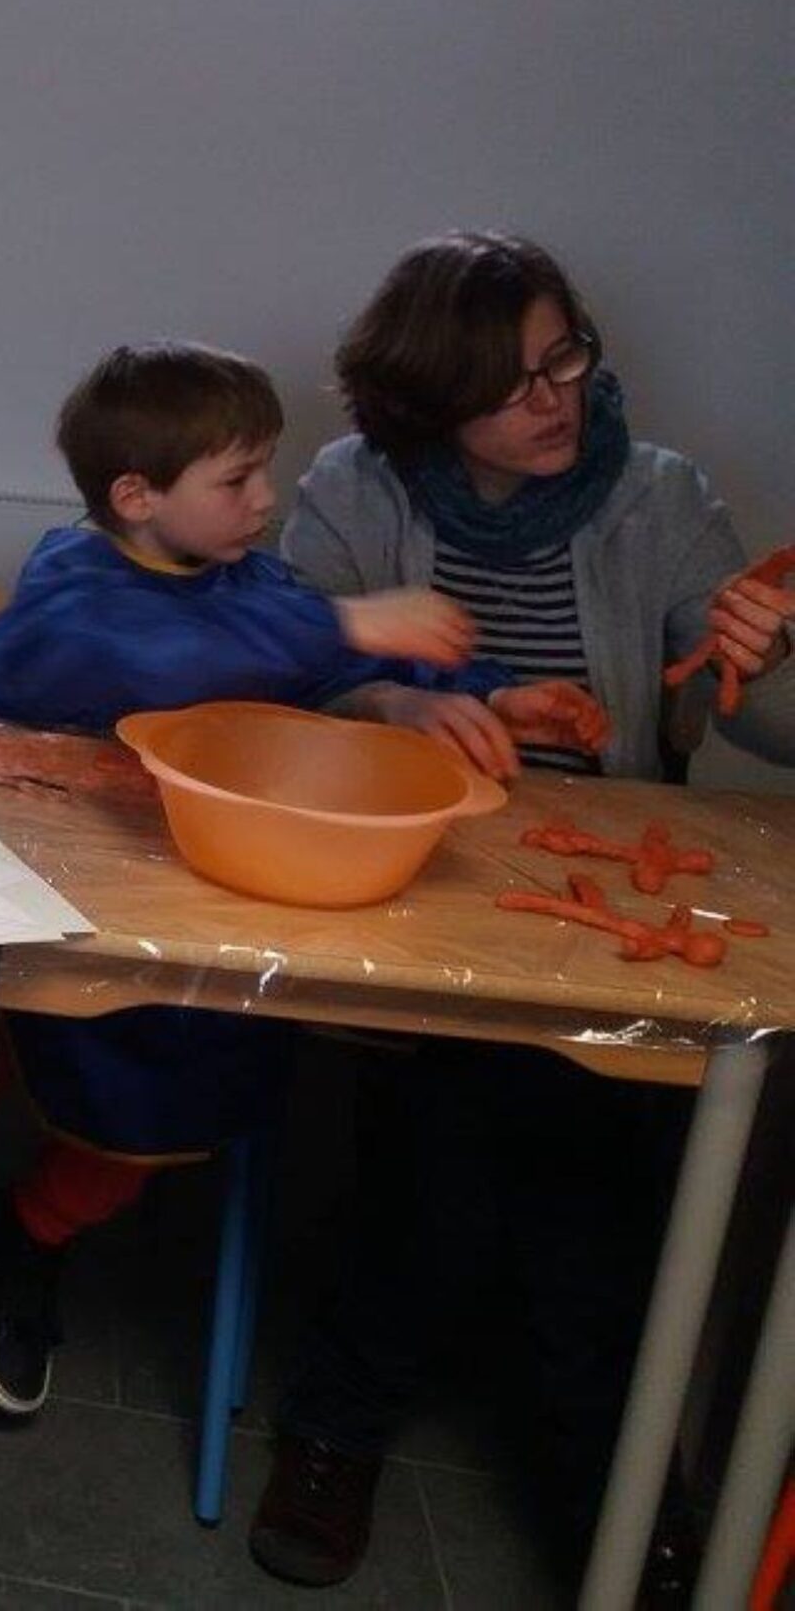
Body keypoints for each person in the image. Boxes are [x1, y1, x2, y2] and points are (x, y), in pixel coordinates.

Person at [0, 341, 605, 1440]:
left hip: (133, 899)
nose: (267, 499)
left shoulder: (252, 584)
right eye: (237, 480)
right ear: (135, 497)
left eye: (263, 470)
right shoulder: (74, 578)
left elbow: (321, 670)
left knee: (200, 1065)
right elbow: (152, 654)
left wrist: (474, 693)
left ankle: (25, 1234)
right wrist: (346, 623)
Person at [249, 232, 795, 1592]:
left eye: (565, 358)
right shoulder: (355, 486)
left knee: (524, 1145)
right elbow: (283, 672)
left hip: (596, 878)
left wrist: (768, 662)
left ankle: (373, 1420)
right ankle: (592, 1472)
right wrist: (404, 701)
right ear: (431, 403)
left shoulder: (660, 491)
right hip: (417, 861)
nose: (554, 400)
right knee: (509, 1143)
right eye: (510, 383)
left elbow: (749, 725)